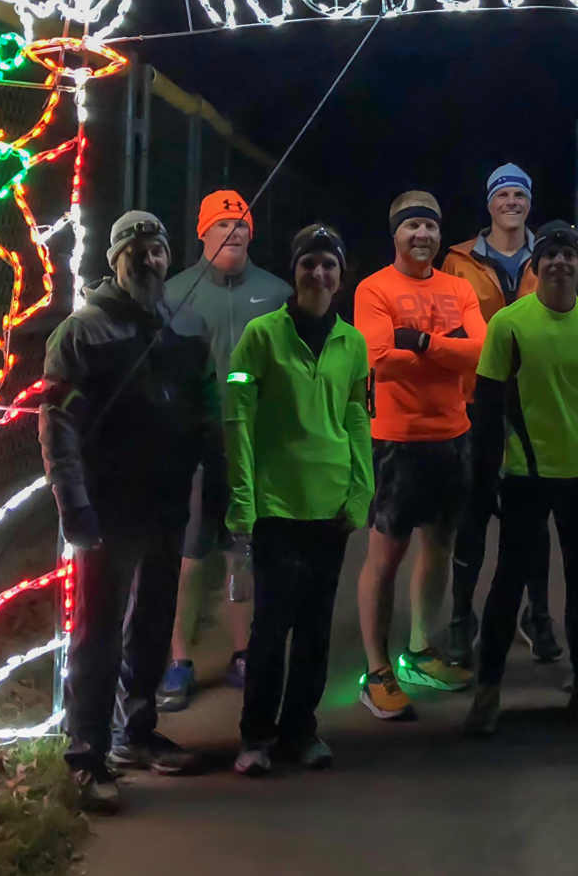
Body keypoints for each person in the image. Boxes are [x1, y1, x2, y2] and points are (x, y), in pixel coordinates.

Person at [40, 210, 220, 813]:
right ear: (114, 259)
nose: (148, 260)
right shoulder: (82, 332)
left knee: (152, 622)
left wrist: (215, 483)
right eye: (135, 251)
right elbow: (57, 427)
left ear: (170, 257)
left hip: (167, 501)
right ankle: (86, 754)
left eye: (157, 250)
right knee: (98, 632)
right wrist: (74, 507)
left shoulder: (187, 325)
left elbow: (207, 412)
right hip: (107, 507)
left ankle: (136, 732)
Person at [462, 221, 578, 737]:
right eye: (550, 255)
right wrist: (483, 481)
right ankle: (488, 692)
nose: (560, 262)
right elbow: (487, 409)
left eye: (568, 255)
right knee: (508, 584)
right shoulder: (509, 324)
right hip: (524, 477)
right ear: (536, 266)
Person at [226, 224, 372, 777]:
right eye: (309, 263)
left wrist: (361, 491)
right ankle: (256, 736)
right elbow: (238, 417)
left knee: (315, 627)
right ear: (294, 271)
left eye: (329, 264)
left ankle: (301, 731)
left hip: (329, 507)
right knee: (271, 627)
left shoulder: (352, 342)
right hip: (277, 505)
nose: (319, 273)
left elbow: (357, 417)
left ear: (341, 275)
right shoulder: (261, 336)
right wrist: (243, 500)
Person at [352, 191, 486, 721]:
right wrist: (448, 346)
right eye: (412, 226)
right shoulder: (373, 288)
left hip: (452, 434)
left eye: (429, 226)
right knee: (386, 555)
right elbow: (380, 357)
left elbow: (480, 350)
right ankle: (376, 670)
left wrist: (422, 343)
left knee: (439, 545)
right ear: (396, 234)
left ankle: (420, 652)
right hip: (396, 440)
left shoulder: (459, 287)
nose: (422, 235)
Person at [157, 189, 292, 712]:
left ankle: (243, 652)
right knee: (190, 555)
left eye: (240, 226)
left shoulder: (276, 292)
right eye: (221, 225)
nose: (232, 234)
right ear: (202, 232)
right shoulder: (175, 292)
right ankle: (179, 659)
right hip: (195, 447)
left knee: (244, 552)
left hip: (254, 446)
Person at [442, 163, 559, 666]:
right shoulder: (459, 260)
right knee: (471, 516)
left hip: (534, 404)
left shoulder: (547, 254)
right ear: (489, 203)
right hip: (475, 403)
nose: (512, 202)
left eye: (520, 194)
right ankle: (460, 617)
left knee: (533, 518)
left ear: (529, 202)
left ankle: (538, 615)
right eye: (503, 194)